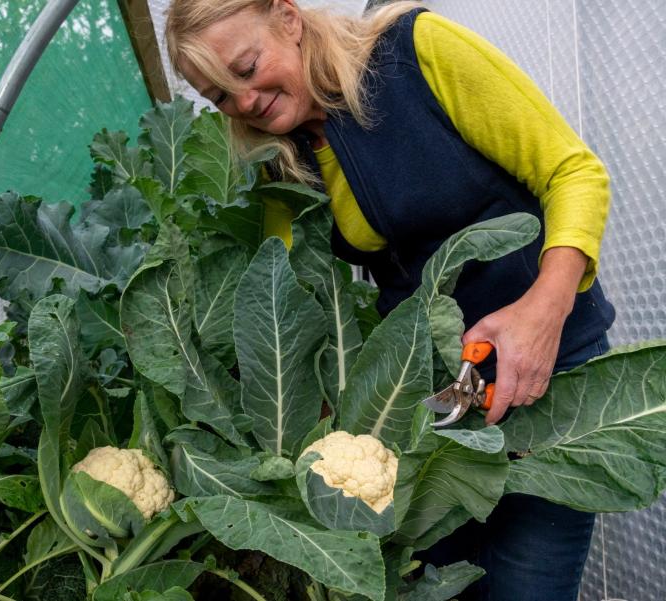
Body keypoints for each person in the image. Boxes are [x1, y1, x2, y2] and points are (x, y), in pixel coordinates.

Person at [164, 1, 616, 600]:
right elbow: (286, 293)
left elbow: (575, 173)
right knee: (440, 583)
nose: (243, 103)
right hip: (435, 403)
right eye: (219, 97)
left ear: (288, 18)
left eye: (246, 68)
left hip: (546, 373)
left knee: (526, 584)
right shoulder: (289, 159)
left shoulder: (416, 53)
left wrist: (544, 309)